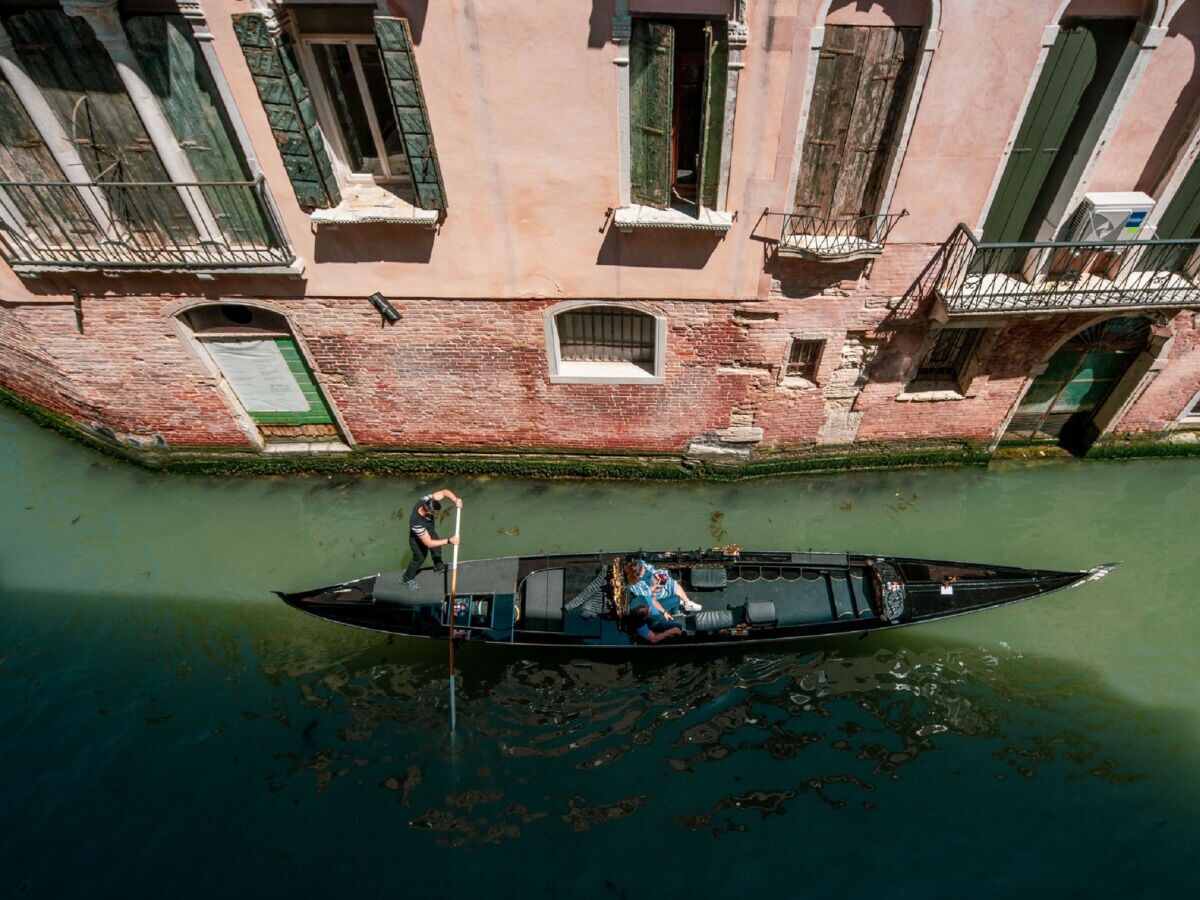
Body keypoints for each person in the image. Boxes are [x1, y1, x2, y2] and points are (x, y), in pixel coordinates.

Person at [403, 489, 463, 588]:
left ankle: (438, 567)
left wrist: (455, 499)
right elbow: (429, 543)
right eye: (436, 513)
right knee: (420, 558)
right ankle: (407, 578)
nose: (437, 514)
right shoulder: (416, 523)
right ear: (430, 512)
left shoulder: (427, 501)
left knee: (437, 550)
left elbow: (444, 492)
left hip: (430, 532)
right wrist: (449, 540)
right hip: (418, 540)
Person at [623, 559, 701, 623]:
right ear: (638, 574)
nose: (644, 569)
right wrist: (655, 586)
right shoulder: (634, 585)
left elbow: (651, 568)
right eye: (643, 571)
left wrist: (656, 574)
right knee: (668, 590)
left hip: (654, 580)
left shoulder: (640, 563)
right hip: (652, 595)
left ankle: (687, 602)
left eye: (643, 568)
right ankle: (677, 606)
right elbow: (645, 595)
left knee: (671, 582)